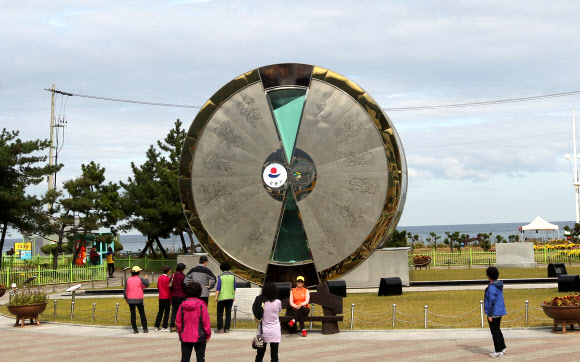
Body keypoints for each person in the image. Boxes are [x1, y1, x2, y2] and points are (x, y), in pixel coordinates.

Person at [176, 282, 211, 362]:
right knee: (200, 358)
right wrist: (207, 334)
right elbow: (206, 321)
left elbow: (178, 321)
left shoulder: (182, 305)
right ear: (199, 292)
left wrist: (180, 333)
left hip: (185, 335)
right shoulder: (202, 305)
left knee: (185, 358)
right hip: (200, 336)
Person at [255, 281, 281, 362]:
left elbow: (257, 314)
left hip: (262, 331)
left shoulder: (261, 303)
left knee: (259, 354)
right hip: (275, 331)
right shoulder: (278, 302)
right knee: (274, 354)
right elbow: (279, 310)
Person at [484, 266, 507, 358]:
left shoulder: (492, 287)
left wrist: (489, 314)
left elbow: (492, 301)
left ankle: (498, 350)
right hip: (499, 310)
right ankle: (502, 347)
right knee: (498, 330)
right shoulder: (498, 284)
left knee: (495, 332)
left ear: (488, 276)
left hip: (493, 312)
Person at [124, 265, 150, 333]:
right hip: (139, 299)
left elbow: (125, 290)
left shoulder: (128, 280)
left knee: (133, 314)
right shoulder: (140, 279)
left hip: (130, 299)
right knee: (142, 313)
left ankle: (135, 329)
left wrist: (126, 298)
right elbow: (146, 285)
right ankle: (145, 328)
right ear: (138, 272)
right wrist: (146, 279)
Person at [214, 262, 236, 333]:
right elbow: (234, 287)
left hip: (222, 297)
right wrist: (233, 296)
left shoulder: (221, 276)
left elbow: (218, 287)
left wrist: (216, 296)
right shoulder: (233, 276)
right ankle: (227, 328)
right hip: (230, 296)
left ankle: (220, 328)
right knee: (228, 313)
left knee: (220, 312)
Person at [170, 262, 187, 333]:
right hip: (182, 295)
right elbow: (184, 286)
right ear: (182, 269)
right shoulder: (183, 276)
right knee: (182, 312)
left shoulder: (173, 275)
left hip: (174, 295)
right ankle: (180, 326)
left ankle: (172, 326)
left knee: (174, 311)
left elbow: (170, 285)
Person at [155, 265, 172, 332]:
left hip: (161, 297)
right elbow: (169, 288)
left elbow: (158, 287)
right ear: (168, 271)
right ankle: (164, 326)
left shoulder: (159, 278)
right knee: (167, 312)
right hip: (167, 297)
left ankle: (156, 325)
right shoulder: (168, 279)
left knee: (160, 311)